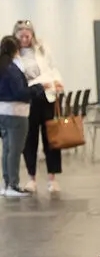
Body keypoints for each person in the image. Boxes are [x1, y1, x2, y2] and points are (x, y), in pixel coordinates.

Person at [12, 21, 63, 195]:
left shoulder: (42, 49)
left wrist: (57, 82)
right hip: (28, 99)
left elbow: (52, 68)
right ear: (16, 36)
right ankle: (31, 178)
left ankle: (52, 179)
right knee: (29, 140)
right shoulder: (12, 55)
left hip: (47, 96)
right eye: (22, 36)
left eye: (28, 35)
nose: (25, 38)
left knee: (51, 138)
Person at [0, 36, 29, 198]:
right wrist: (37, 88)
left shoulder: (2, 66)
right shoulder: (12, 69)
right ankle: (13, 184)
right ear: (15, 50)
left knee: (7, 149)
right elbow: (20, 93)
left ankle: (6, 183)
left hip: (2, 112)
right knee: (15, 150)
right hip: (16, 113)